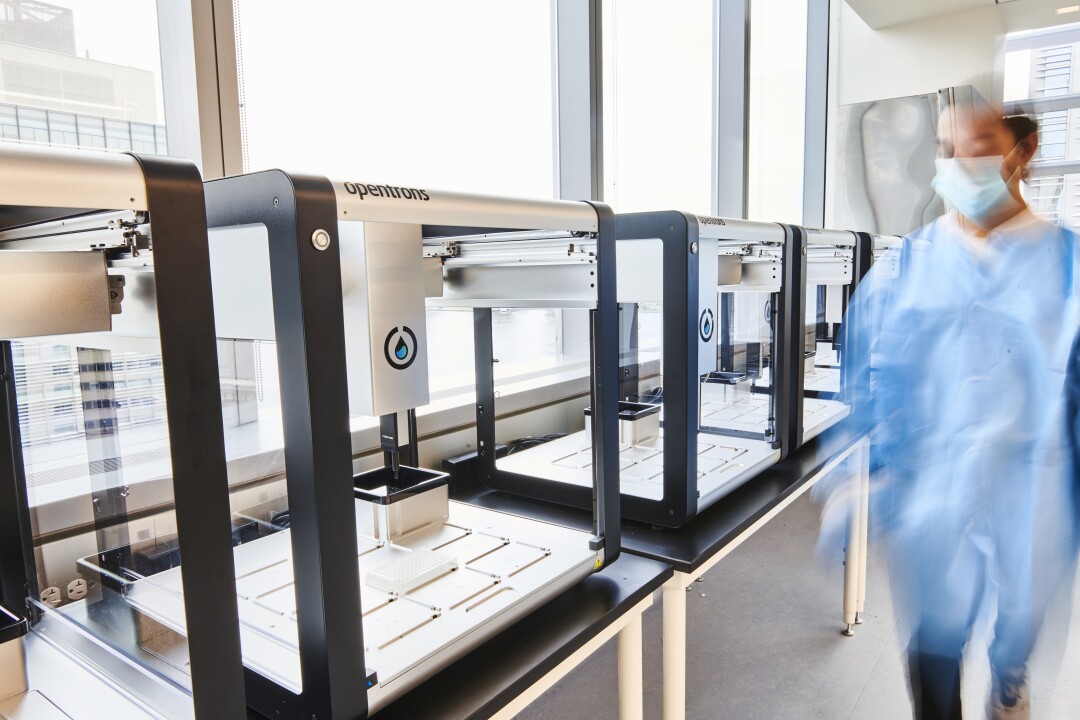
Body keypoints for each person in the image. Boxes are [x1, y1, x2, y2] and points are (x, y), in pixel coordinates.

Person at [830, 104, 1080, 720]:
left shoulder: (1067, 263)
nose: (957, 161)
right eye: (946, 148)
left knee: (1019, 617)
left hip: (1034, 494)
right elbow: (867, 372)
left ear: (1021, 153)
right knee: (933, 648)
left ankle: (1009, 674)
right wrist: (861, 470)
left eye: (977, 144)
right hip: (935, 498)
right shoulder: (908, 265)